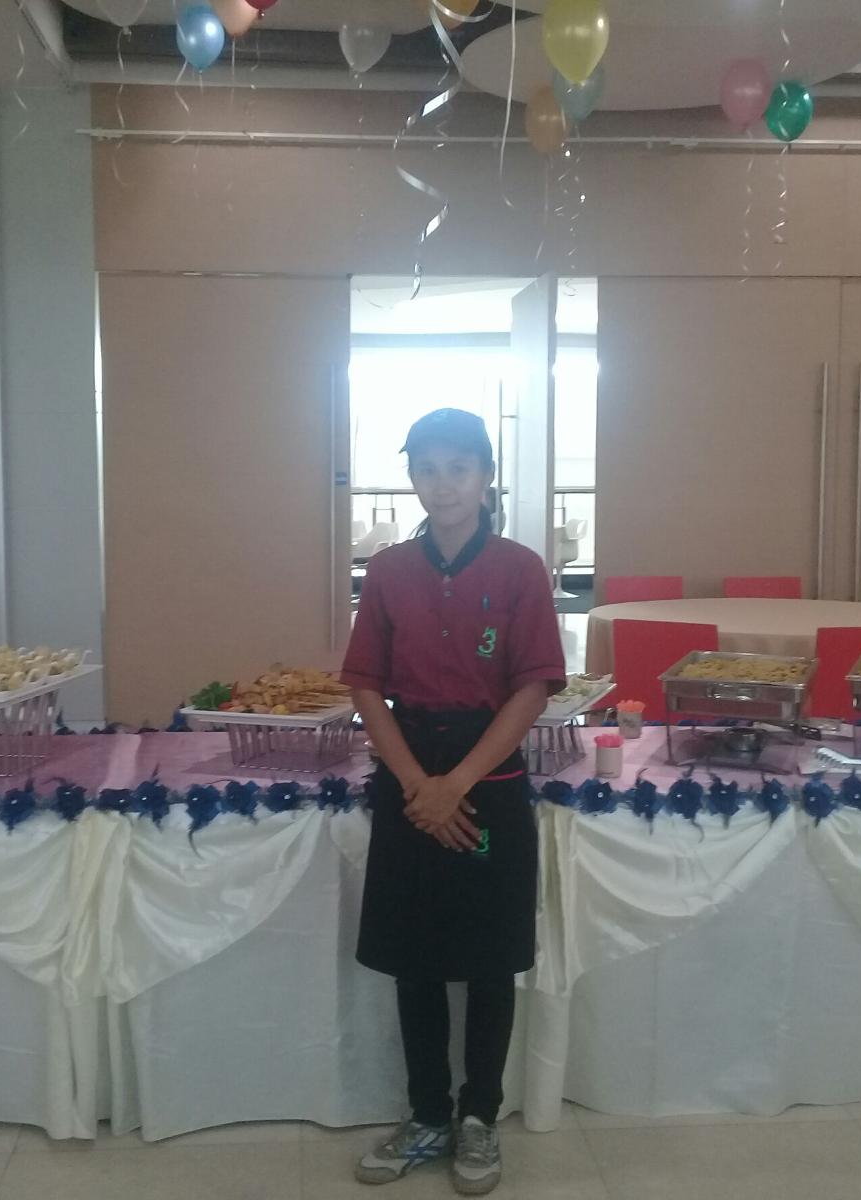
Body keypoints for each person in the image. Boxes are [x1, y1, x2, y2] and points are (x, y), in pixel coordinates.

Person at [340, 408, 567, 1196]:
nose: (443, 485)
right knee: (416, 958)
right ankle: (428, 1114)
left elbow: (533, 689)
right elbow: (365, 686)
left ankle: (479, 1118)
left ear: (485, 477)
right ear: (413, 478)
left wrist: (455, 786)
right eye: (428, 469)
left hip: (487, 779)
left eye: (459, 469)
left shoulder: (520, 570)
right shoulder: (390, 570)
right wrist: (417, 786)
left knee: (490, 958)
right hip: (408, 771)